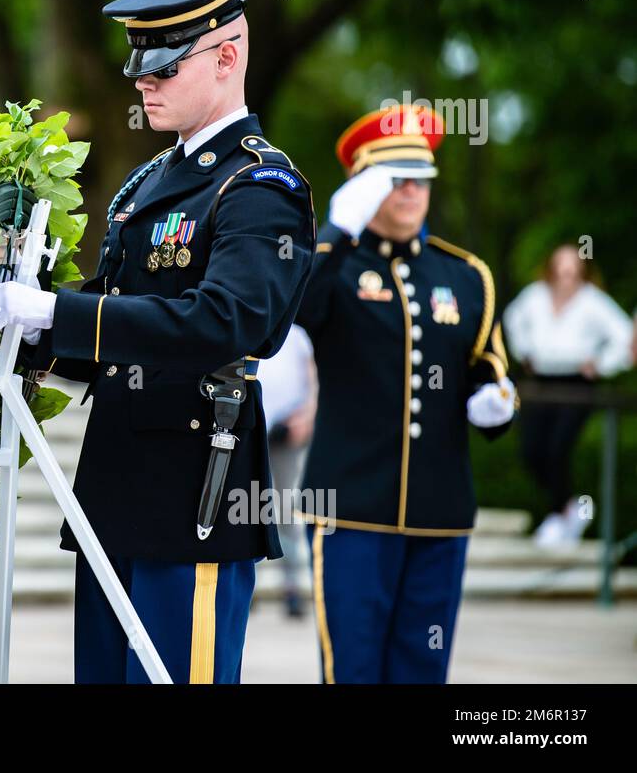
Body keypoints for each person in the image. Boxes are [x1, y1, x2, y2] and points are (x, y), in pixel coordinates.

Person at [0, 0, 316, 684]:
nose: (142, 82)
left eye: (164, 66)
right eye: (139, 67)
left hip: (193, 494)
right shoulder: (149, 182)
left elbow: (228, 321)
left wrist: (58, 311)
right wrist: (24, 328)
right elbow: (108, 332)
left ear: (227, 57)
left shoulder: (258, 186)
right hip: (115, 489)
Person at [294, 105, 517, 683]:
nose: (413, 189)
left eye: (422, 177)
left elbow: (486, 369)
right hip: (349, 507)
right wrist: (334, 234)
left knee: (423, 670)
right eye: (397, 179)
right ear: (365, 187)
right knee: (353, 668)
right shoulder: (333, 267)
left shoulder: (465, 276)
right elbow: (291, 316)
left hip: (439, 512)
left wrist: (493, 405)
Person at [503, 245, 633, 545]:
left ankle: (561, 513)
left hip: (576, 384)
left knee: (557, 448)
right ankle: (567, 508)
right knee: (531, 449)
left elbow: (624, 337)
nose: (566, 276)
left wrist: (601, 365)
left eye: (572, 269)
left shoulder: (593, 302)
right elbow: (511, 320)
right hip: (541, 382)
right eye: (561, 268)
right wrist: (524, 352)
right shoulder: (535, 296)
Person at [257, 322, 317, 619]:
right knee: (244, 509)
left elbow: (312, 385)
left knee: (284, 512)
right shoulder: (254, 326)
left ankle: (291, 587)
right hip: (250, 431)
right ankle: (249, 583)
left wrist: (303, 420)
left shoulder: (297, 336)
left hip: (285, 432)